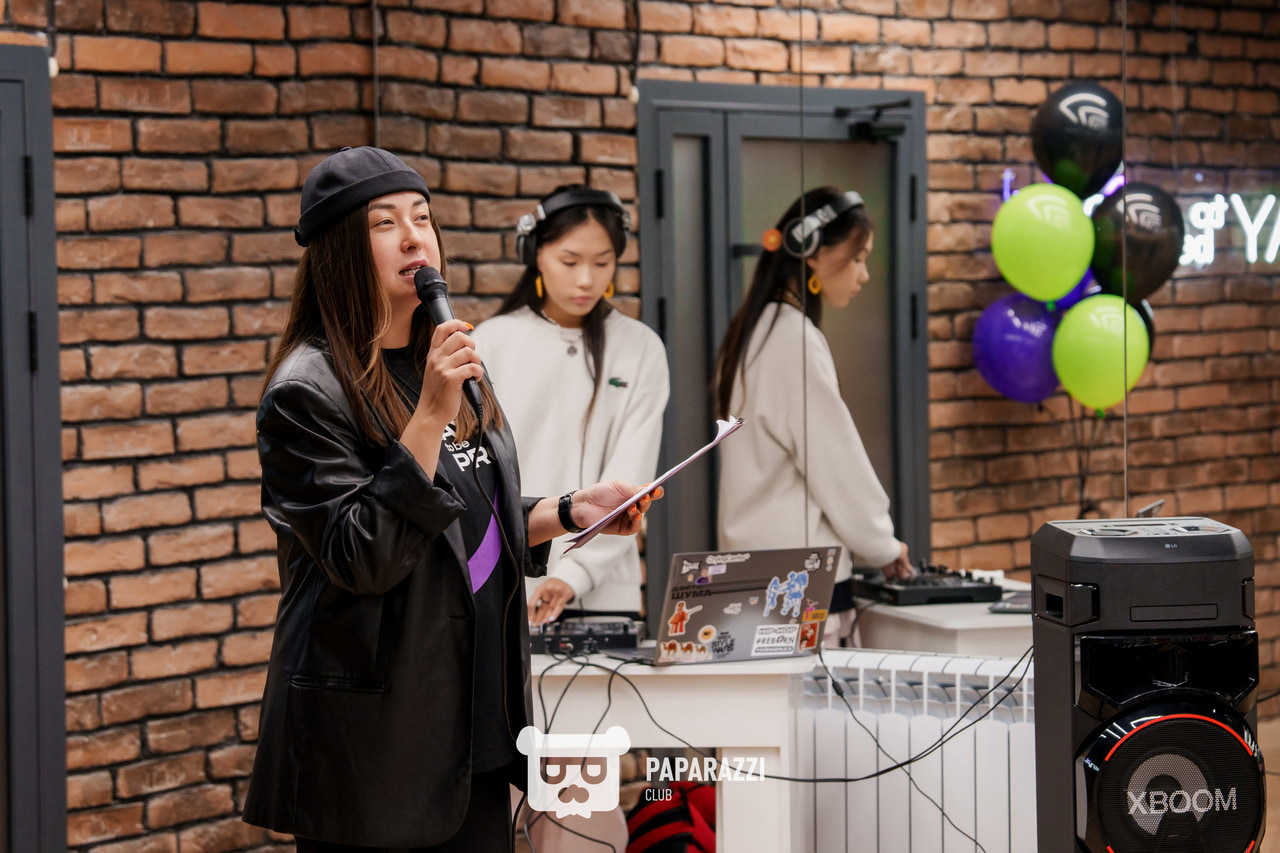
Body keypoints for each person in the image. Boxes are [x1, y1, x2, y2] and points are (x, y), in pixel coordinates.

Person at [242, 147, 659, 852]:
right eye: (385, 223)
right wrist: (431, 413)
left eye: (422, 218)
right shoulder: (306, 391)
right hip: (378, 748)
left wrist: (568, 511)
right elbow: (363, 554)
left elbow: (467, 516)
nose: (414, 238)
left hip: (474, 728)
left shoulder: (445, 361)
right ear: (340, 250)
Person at [712, 186, 913, 644]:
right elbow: (835, 464)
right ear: (814, 254)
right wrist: (882, 544)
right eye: (857, 257)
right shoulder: (793, 338)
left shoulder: (754, 329)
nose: (863, 274)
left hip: (752, 571)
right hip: (802, 577)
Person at [472, 186, 669, 625]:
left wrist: (574, 574)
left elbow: (630, 475)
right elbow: (476, 476)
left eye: (601, 263)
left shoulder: (641, 348)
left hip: (604, 593)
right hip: (508, 587)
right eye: (570, 261)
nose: (586, 279)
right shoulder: (492, 342)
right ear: (536, 255)